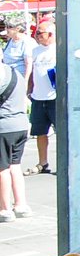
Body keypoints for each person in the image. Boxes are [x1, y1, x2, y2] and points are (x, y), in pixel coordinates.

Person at [0, 47, 29, 221]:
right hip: (20, 124)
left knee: (2, 169)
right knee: (14, 166)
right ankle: (21, 204)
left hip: (5, 125)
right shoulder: (13, 72)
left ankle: (5, 209)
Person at [27, 18, 56, 178]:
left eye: (40, 33)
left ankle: (65, 162)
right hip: (38, 97)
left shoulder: (58, 49)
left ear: (50, 34)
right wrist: (30, 88)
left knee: (62, 132)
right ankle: (43, 162)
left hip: (54, 97)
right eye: (36, 33)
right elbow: (33, 71)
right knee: (40, 132)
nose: (37, 35)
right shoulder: (36, 51)